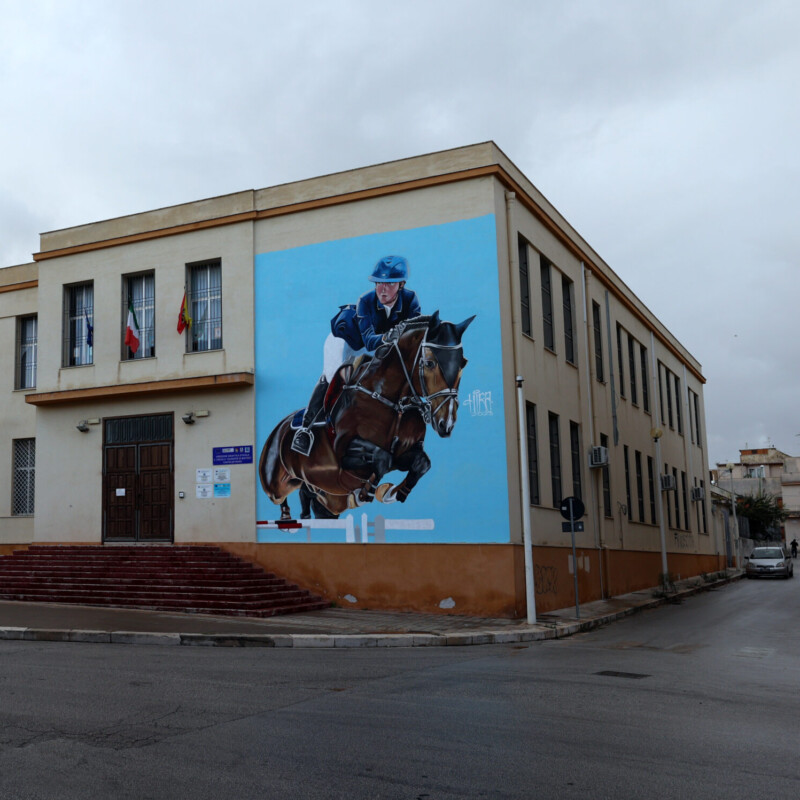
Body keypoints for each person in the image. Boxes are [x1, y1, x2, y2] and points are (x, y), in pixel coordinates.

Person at [291, 255, 422, 456]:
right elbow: (369, 341)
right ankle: (305, 430)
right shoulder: (366, 301)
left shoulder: (411, 300)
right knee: (333, 377)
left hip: (371, 347)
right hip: (343, 340)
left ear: (401, 284)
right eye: (379, 283)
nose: (382, 289)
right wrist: (392, 336)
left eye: (389, 283)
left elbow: (413, 340)